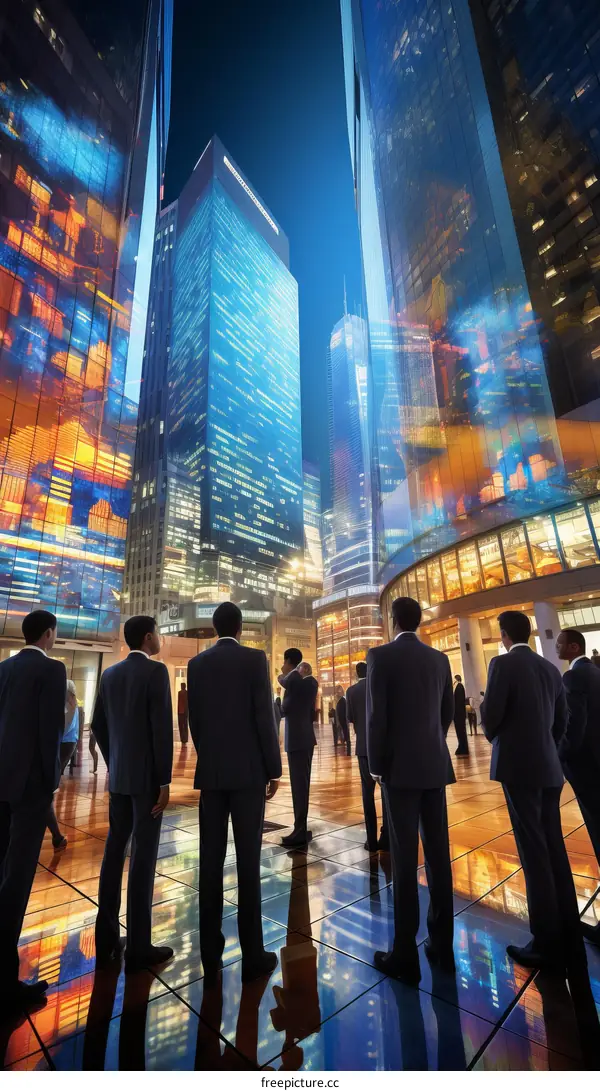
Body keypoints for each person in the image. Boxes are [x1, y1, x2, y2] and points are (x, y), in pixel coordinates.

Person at [481, 610, 583, 970]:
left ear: (505, 634)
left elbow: (490, 717)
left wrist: (498, 737)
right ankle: (569, 927)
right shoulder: (551, 669)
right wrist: (547, 750)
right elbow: (561, 722)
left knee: (533, 850)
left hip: (519, 768)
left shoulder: (502, 665)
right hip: (549, 769)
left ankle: (545, 940)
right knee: (554, 846)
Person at [187, 602, 281, 984]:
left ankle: (210, 949)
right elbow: (263, 716)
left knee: (210, 861)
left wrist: (209, 759)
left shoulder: (197, 664)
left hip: (211, 774)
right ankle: (253, 953)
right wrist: (273, 768)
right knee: (248, 862)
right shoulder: (254, 660)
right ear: (241, 627)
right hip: (248, 775)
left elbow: (194, 720)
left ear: (214, 627)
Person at [366, 596, 455, 985]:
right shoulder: (440, 659)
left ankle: (405, 952)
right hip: (434, 767)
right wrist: (432, 743)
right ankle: (443, 946)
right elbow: (447, 713)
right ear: (417, 622)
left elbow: (376, 717)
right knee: (438, 855)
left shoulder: (379, 657)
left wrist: (377, 767)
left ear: (392, 620)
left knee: (404, 861)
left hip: (398, 772)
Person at [92, 615, 173, 973]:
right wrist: (164, 781)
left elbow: (98, 725)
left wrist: (115, 762)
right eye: (158, 633)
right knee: (143, 857)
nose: (161, 639)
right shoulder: (156, 673)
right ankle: (140, 945)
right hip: (146, 782)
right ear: (147, 637)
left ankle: (106, 937)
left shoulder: (109, 674)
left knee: (114, 850)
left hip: (120, 778)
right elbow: (161, 731)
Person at [0, 609, 66, 1018]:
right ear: (47, 634)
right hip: (29, 789)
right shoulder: (52, 670)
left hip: (1, 781)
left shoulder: (3, 669)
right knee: (17, 880)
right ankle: (6, 985)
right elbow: (49, 732)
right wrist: (51, 782)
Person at [556, 628, 600, 948]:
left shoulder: (574, 678)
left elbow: (576, 726)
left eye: (559, 643)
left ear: (573, 647)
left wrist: (559, 756)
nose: (556, 646)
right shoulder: (596, 673)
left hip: (588, 771)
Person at [346, 661, 389, 853]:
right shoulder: (378, 687)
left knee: (367, 793)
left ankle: (370, 840)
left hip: (363, 748)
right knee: (387, 793)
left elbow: (350, 718)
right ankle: (386, 836)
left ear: (356, 673)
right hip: (382, 746)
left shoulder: (352, 691)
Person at [279, 648, 319, 848]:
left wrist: (286, 675)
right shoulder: (306, 683)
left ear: (289, 662)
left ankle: (300, 830)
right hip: (305, 740)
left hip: (297, 742)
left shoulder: (294, 681)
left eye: (284, 663)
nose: (281, 667)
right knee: (302, 786)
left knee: (299, 787)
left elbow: (283, 709)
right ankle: (300, 827)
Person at [46, 680, 80, 850]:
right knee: (47, 787)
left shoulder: (69, 703)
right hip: (65, 743)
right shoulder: (68, 702)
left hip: (64, 743)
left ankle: (57, 836)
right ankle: (56, 836)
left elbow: (63, 727)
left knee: (47, 787)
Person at [452, 675, 469, 756]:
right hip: (458, 713)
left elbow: (458, 702)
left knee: (461, 731)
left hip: (459, 713)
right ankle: (461, 747)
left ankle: (463, 748)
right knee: (460, 731)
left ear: (456, 679)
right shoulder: (458, 686)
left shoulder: (459, 686)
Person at [335, 684, 351, 756]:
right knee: (344, 732)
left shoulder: (342, 700)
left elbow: (343, 711)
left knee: (345, 732)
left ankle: (346, 743)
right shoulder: (340, 700)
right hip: (342, 720)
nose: (338, 692)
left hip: (343, 720)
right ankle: (345, 742)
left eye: (340, 690)